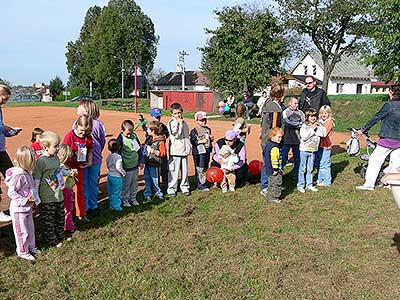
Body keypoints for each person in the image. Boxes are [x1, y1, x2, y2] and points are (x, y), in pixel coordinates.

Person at [356, 84, 400, 190]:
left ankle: (369, 184)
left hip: (388, 139)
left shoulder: (389, 105)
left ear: (392, 93)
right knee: (395, 163)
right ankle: (390, 184)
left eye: (389, 91)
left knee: (375, 160)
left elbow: (376, 118)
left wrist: (363, 129)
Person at [5, 146, 39, 261]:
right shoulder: (19, 175)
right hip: (19, 209)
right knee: (22, 231)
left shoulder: (26, 172)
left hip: (27, 208)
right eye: (32, 161)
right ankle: (22, 251)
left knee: (30, 229)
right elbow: (11, 192)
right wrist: (25, 200)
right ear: (25, 162)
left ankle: (32, 246)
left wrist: (33, 200)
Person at [33, 131, 65, 247]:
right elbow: (36, 181)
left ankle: (60, 234)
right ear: (45, 147)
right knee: (48, 220)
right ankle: (51, 239)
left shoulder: (56, 158)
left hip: (58, 194)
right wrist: (36, 198)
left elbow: (58, 172)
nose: (58, 148)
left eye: (58, 145)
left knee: (59, 216)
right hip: (47, 197)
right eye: (55, 146)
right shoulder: (40, 162)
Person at [77, 99, 106, 216]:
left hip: (94, 159)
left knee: (91, 183)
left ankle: (92, 205)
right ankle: (88, 205)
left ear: (86, 109)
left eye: (79, 107)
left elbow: (102, 140)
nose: (77, 109)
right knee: (86, 183)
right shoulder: (76, 123)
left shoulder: (97, 124)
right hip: (83, 159)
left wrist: (96, 152)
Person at [63, 115, 93, 221]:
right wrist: (67, 169)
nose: (83, 133)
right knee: (67, 193)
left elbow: (90, 150)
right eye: (81, 131)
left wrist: (89, 161)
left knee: (79, 191)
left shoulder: (88, 137)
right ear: (76, 125)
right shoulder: (70, 136)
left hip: (79, 168)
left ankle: (81, 214)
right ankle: (68, 216)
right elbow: (63, 154)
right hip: (68, 169)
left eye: (86, 131)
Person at [0, 84, 22, 223]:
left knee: (12, 174)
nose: (5, 101)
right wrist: (8, 128)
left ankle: (18, 202)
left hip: (1, 149)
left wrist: (10, 133)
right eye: (3, 98)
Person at [259, 84, 285, 196]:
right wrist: (276, 140)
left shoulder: (269, 102)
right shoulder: (274, 108)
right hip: (270, 140)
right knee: (268, 163)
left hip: (268, 139)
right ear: (279, 95)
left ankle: (272, 183)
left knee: (271, 162)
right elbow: (274, 127)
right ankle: (265, 186)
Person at [297, 109, 326, 193]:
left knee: (310, 168)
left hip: (313, 150)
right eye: (311, 116)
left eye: (314, 116)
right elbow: (304, 137)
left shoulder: (318, 125)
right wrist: (312, 129)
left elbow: (323, 134)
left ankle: (309, 184)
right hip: (304, 150)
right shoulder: (304, 126)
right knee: (303, 168)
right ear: (307, 117)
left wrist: (320, 125)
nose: (313, 118)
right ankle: (300, 185)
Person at [117, 119, 144, 206]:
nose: (130, 134)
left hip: (135, 165)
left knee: (134, 183)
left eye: (132, 131)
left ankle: (133, 198)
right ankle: (125, 200)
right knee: (126, 184)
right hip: (126, 166)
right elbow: (118, 153)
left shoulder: (134, 136)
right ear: (122, 131)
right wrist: (120, 165)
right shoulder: (120, 139)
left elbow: (139, 149)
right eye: (128, 132)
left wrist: (141, 160)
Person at [167, 103, 192, 197]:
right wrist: (179, 123)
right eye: (175, 113)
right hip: (176, 151)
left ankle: (185, 187)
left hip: (184, 151)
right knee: (174, 171)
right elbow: (176, 135)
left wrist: (189, 146)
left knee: (185, 171)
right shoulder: (172, 123)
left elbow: (186, 136)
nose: (178, 115)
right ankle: (172, 189)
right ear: (172, 114)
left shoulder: (184, 122)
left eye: (179, 112)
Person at [281, 97, 304, 180]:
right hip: (287, 139)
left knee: (298, 158)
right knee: (283, 157)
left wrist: (297, 124)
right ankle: (279, 173)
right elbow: (288, 122)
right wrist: (297, 125)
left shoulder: (301, 113)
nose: (296, 105)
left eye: (297, 103)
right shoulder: (285, 112)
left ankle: (296, 175)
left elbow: (303, 122)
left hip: (297, 140)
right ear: (289, 103)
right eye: (294, 103)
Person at [190, 111, 213, 191]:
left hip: (206, 150)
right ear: (197, 121)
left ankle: (205, 181)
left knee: (205, 166)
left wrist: (211, 139)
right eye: (201, 120)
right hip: (199, 152)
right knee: (200, 168)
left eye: (205, 120)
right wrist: (200, 141)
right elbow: (192, 141)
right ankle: (201, 184)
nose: (204, 121)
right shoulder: (194, 130)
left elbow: (209, 140)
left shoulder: (208, 129)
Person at [143, 120, 166, 201]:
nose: (147, 130)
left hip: (154, 163)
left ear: (153, 131)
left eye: (148, 129)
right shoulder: (149, 138)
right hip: (147, 162)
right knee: (147, 178)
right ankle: (147, 193)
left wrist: (155, 151)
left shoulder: (160, 141)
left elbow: (163, 153)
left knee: (154, 179)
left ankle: (158, 193)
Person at [57, 144, 77, 234]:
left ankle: (64, 225)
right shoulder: (61, 168)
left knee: (65, 208)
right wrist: (71, 174)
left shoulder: (59, 166)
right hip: (66, 190)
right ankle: (69, 226)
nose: (69, 159)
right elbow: (63, 177)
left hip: (66, 190)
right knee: (68, 208)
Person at [149, 107, 169, 189]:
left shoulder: (163, 126)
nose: (158, 119)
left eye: (159, 117)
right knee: (155, 169)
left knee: (163, 169)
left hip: (160, 149)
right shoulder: (151, 126)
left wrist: (164, 136)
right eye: (156, 117)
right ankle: (156, 184)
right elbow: (148, 138)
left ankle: (165, 183)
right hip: (154, 151)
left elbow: (167, 133)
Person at [263, 128, 284, 203]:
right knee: (276, 183)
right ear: (272, 137)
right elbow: (274, 159)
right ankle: (274, 197)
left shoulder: (268, 144)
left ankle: (270, 195)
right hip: (274, 169)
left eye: (281, 137)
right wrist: (275, 169)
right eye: (279, 137)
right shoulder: (275, 147)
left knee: (271, 183)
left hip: (268, 169)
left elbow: (264, 154)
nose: (280, 139)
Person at [315, 105, 335, 187]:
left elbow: (324, 133)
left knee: (324, 164)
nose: (324, 115)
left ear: (329, 114)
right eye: (322, 113)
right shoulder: (320, 121)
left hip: (326, 146)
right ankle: (320, 179)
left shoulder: (329, 122)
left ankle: (327, 181)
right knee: (319, 163)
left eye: (326, 113)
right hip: (319, 145)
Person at [106, 139, 125, 211]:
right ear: (119, 147)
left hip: (110, 175)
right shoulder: (118, 157)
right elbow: (118, 167)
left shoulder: (108, 156)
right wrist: (123, 172)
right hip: (117, 177)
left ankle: (111, 205)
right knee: (116, 192)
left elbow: (107, 165)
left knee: (111, 192)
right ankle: (117, 207)